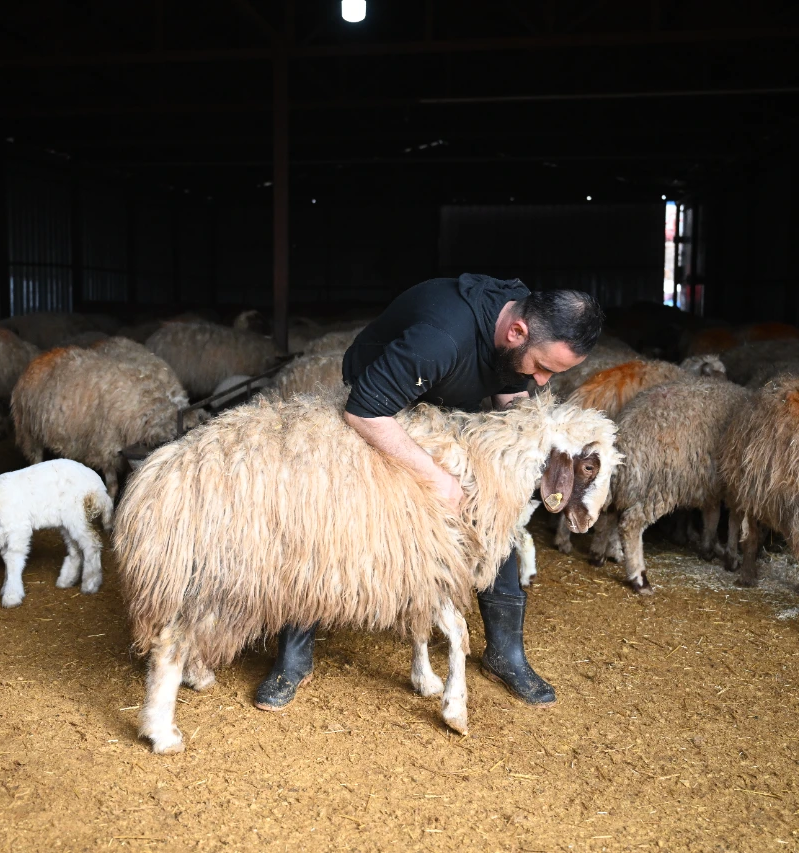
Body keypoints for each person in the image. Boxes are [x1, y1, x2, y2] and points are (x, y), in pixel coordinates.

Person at [254, 273, 605, 711]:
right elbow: (363, 412)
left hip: (450, 405)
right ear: (517, 332)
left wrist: (518, 464)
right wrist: (437, 479)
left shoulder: (520, 321)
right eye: (543, 367)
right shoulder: (440, 338)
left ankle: (505, 653)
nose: (543, 381)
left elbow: (512, 395)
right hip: (380, 405)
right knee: (333, 517)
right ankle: (293, 655)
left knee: (492, 513)